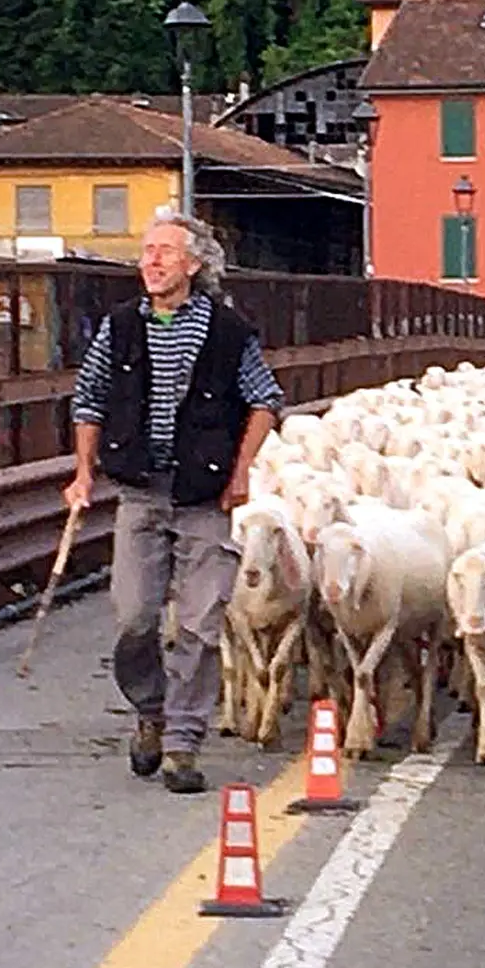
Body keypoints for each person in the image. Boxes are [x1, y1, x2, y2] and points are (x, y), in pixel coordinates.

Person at [63, 212, 284, 794]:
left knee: (199, 623)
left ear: (193, 264)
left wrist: (241, 474)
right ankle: (150, 710)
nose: (152, 262)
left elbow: (265, 401)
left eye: (164, 252)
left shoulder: (229, 330)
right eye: (146, 252)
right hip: (139, 490)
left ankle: (184, 740)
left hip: (203, 495)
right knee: (135, 616)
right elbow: (88, 400)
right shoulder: (119, 327)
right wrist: (84, 473)